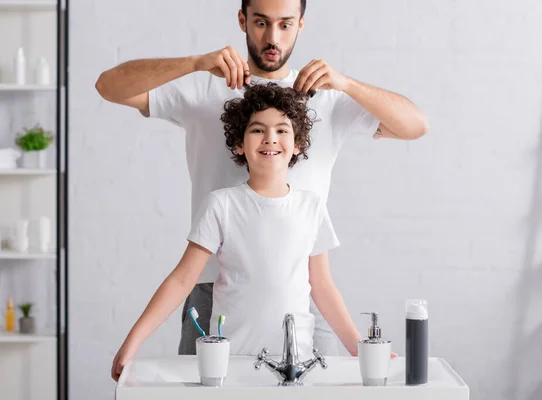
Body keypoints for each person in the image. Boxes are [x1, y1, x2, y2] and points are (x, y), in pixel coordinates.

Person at [95, 0, 428, 358]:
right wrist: (194, 64)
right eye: (261, 22)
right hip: (211, 286)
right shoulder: (204, 89)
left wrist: (347, 84)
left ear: (301, 24)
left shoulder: (329, 98)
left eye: (285, 25)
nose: (272, 37)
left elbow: (415, 126)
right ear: (242, 20)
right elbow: (108, 86)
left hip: (305, 289)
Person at [112, 83, 369, 381]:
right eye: (258, 130)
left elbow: (322, 286)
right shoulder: (221, 205)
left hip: (296, 362)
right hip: (230, 362)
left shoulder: (311, 207)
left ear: (298, 144)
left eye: (282, 130)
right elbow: (183, 279)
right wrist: (134, 341)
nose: (270, 138)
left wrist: (358, 348)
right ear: (239, 144)